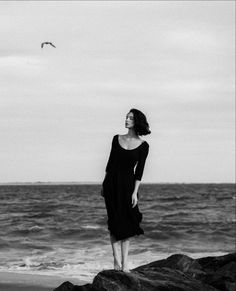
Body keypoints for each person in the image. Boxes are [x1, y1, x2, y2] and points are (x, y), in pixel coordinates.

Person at [101, 108, 151, 272]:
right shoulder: (116, 139)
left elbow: (139, 171)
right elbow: (110, 163)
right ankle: (116, 262)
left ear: (136, 121)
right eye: (126, 117)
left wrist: (135, 192)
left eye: (130, 118)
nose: (126, 119)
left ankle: (125, 264)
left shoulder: (144, 146)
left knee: (128, 223)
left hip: (129, 186)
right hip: (111, 184)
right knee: (114, 222)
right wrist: (104, 183)